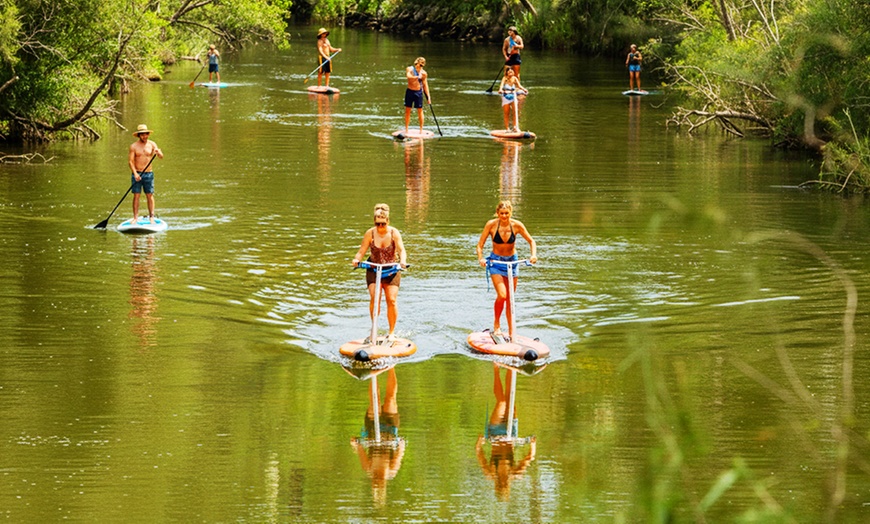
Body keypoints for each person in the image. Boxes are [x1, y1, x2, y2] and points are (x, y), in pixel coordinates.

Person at [476, 201, 537, 338]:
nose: (504, 216)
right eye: (501, 213)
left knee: (510, 299)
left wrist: (533, 255)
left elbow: (531, 241)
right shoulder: (491, 225)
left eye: (507, 213)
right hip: (496, 263)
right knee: (502, 295)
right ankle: (496, 324)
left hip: (512, 262)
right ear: (497, 213)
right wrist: (481, 258)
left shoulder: (517, 225)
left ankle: (511, 331)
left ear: (511, 213)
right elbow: (480, 245)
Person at [475, 364, 537, 501]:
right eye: (504, 486)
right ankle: (511, 367)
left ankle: (496, 369)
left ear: (497, 487)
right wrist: (532, 444)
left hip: (496, 433)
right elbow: (529, 458)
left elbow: (480, 456)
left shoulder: (491, 473)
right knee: (510, 398)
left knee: (502, 402)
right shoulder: (515, 474)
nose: (503, 483)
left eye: (501, 486)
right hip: (511, 433)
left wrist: (480, 443)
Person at [352, 204, 408, 341]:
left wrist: (403, 261)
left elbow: (401, 250)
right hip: (374, 268)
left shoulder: (394, 233)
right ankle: (374, 328)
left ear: (388, 221)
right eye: (378, 224)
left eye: (383, 224)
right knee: (375, 298)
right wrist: (356, 259)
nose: (380, 227)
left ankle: (391, 332)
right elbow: (362, 251)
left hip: (391, 269)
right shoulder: (370, 233)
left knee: (392, 300)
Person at [128, 124, 164, 224]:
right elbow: (130, 162)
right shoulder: (133, 146)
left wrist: (158, 152)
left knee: (149, 195)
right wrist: (135, 174)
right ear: (139, 135)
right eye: (142, 135)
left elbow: (161, 156)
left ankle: (151, 216)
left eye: (146, 134)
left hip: (148, 174)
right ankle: (135, 217)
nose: (145, 136)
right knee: (136, 195)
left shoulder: (152, 144)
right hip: (137, 174)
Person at [404, 57, 431, 135]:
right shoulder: (409, 69)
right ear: (416, 64)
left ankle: (421, 130)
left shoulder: (424, 73)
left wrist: (428, 97)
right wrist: (416, 77)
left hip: (418, 93)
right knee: (408, 111)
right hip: (409, 91)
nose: (419, 67)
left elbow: (425, 85)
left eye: (421, 66)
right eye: (418, 65)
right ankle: (406, 129)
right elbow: (408, 76)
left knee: (420, 111)